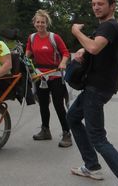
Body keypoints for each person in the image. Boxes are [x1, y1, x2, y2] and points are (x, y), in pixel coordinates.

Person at [67, 0, 118, 185]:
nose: (96, 7)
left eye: (100, 4)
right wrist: (83, 50)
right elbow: (95, 47)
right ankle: (91, 166)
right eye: (93, 4)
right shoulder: (107, 27)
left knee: (98, 138)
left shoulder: (109, 26)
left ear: (112, 6)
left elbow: (94, 47)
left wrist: (76, 32)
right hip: (96, 86)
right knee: (73, 117)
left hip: (97, 88)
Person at [25, 9, 71, 147]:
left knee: (58, 105)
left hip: (55, 75)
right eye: (38, 22)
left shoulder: (54, 37)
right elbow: (29, 51)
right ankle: (45, 131)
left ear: (47, 23)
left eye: (42, 22)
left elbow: (65, 53)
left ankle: (67, 133)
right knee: (43, 105)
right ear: (34, 23)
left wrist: (63, 63)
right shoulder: (32, 38)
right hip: (40, 75)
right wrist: (24, 59)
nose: (40, 24)